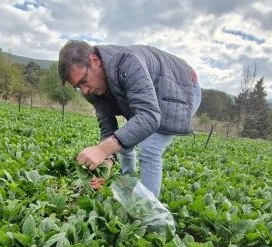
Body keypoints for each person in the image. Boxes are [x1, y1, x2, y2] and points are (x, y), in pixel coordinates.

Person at [58, 40, 201, 198]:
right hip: (149, 96)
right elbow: (109, 129)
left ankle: (148, 212)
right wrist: (108, 159)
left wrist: (102, 149)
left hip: (181, 86)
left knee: (148, 148)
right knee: (126, 138)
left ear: (95, 61)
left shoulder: (127, 63)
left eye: (84, 81)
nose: (84, 91)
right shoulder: (91, 89)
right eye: (78, 86)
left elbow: (149, 116)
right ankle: (129, 186)